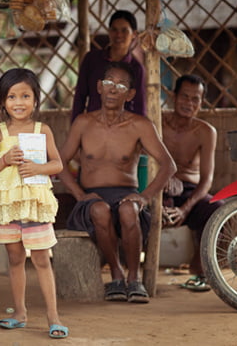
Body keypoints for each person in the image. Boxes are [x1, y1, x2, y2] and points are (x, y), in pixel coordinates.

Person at [58, 61, 176, 303]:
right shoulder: (83, 122)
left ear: (131, 94)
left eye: (121, 85)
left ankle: (134, 279)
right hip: (91, 198)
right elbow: (59, 164)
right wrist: (80, 195)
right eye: (109, 83)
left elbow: (168, 164)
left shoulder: (139, 125)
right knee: (100, 211)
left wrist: (145, 196)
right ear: (99, 87)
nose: (113, 89)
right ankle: (115, 274)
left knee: (128, 210)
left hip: (126, 194)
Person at [0, 68, 68, 339]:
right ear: (2, 102)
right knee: (14, 258)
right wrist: (5, 160)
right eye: (12, 97)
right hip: (8, 204)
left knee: (41, 259)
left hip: (35, 201)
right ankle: (20, 313)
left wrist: (38, 167)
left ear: (36, 99)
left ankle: (53, 316)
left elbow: (58, 164)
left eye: (25, 95)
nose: (19, 102)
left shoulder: (42, 130)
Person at [161, 74, 224, 292]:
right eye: (184, 97)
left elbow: (206, 179)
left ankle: (199, 266)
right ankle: (135, 274)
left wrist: (184, 209)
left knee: (217, 208)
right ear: (173, 96)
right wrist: (163, 178)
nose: (189, 103)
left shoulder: (206, 132)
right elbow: (142, 160)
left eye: (195, 99)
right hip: (158, 187)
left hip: (190, 191)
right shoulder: (157, 123)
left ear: (201, 102)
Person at [71, 10, 146, 122]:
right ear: (109, 32)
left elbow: (139, 106)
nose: (119, 35)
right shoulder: (91, 59)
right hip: (93, 126)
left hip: (123, 129)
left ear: (134, 34)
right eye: (114, 30)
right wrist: (75, 127)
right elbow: (80, 97)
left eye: (124, 30)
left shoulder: (136, 68)